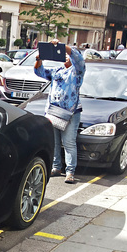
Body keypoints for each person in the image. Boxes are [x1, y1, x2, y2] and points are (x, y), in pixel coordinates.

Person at [34, 39, 86, 184]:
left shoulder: (77, 72)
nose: (66, 57)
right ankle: (56, 167)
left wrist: (62, 47)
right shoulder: (58, 71)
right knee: (55, 141)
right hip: (53, 111)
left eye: (68, 55)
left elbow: (78, 59)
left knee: (68, 142)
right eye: (64, 55)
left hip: (70, 112)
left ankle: (70, 172)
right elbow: (40, 72)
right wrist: (39, 59)